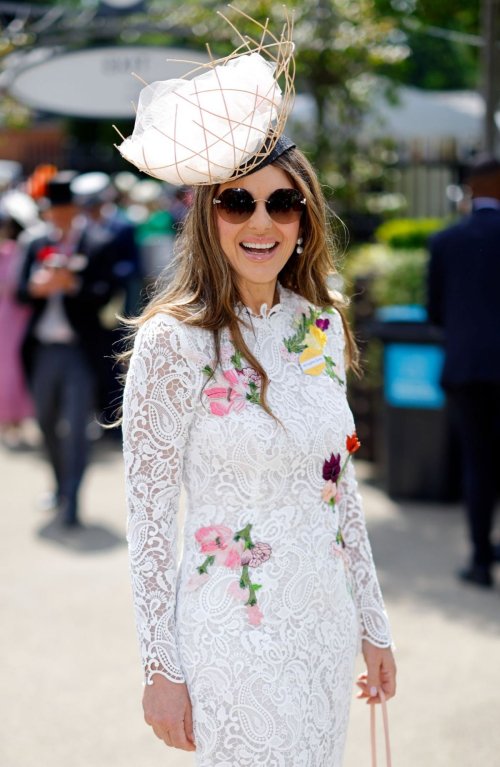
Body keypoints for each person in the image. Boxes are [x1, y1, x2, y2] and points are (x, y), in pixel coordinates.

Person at [119, 21, 395, 765]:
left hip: (322, 628)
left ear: (305, 218)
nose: (262, 222)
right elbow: (147, 523)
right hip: (230, 635)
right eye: (237, 202)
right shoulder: (170, 344)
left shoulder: (322, 330)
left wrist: (372, 623)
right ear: (208, 216)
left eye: (283, 203)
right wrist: (160, 668)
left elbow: (340, 492)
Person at [17, 171, 121, 526]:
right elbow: (19, 292)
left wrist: (73, 284)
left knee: (77, 426)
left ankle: (72, 500)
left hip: (80, 350)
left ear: (76, 209)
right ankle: (61, 486)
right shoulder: (34, 243)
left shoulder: (97, 242)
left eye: (65, 210)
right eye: (53, 211)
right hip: (43, 348)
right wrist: (38, 287)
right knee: (45, 421)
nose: (59, 217)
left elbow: (106, 294)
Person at [428, 155, 500, 588]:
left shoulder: (446, 241)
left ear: (471, 189)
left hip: (466, 367)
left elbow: (434, 312)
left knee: (478, 463)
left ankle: (479, 561)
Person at [0, 191, 38, 446]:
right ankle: (10, 423)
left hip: (19, 316)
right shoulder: (12, 251)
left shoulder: (20, 251)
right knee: (11, 370)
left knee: (16, 370)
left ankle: (17, 422)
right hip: (10, 317)